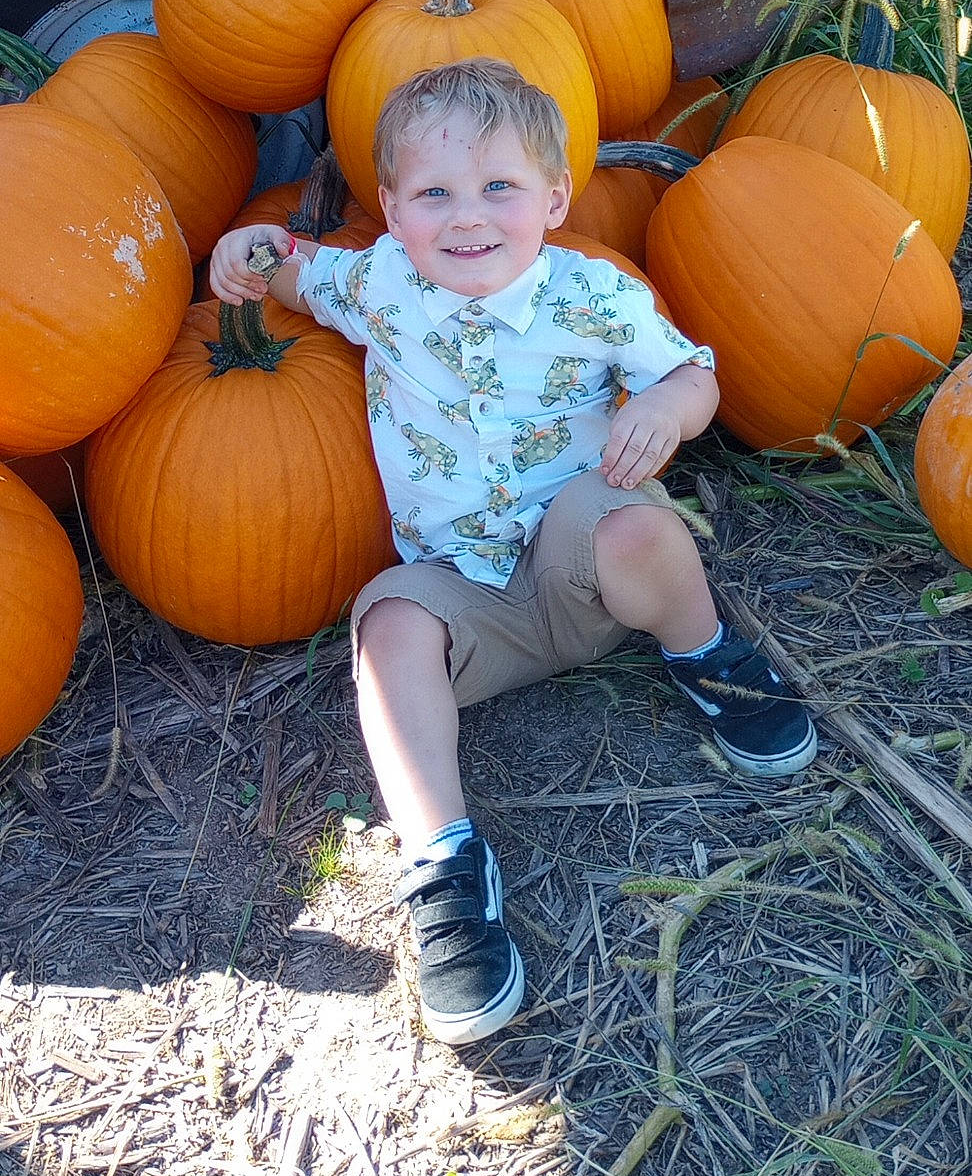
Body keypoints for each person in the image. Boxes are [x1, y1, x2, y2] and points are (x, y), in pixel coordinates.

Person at [210, 58, 817, 1047]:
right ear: (393, 211)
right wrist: (250, 249)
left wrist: (667, 407)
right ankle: (444, 862)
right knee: (387, 623)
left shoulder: (592, 295)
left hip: (587, 571)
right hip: (468, 600)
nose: (469, 216)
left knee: (636, 521)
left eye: (499, 186)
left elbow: (693, 373)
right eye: (434, 193)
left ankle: (707, 653)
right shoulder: (381, 285)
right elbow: (297, 266)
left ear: (555, 199)